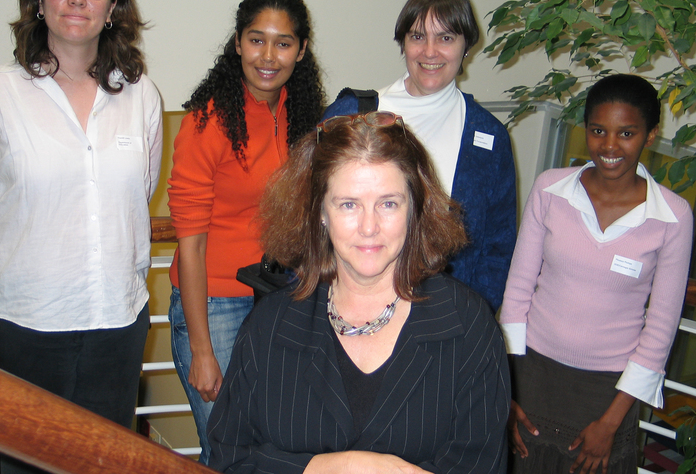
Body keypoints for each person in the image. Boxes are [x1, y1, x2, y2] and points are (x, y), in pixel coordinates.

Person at [0, 0, 161, 472]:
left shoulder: (140, 94)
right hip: (22, 323)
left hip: (115, 318)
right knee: (27, 463)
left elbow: (138, 189)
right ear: (39, 2)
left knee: (107, 459)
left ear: (112, 7)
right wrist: (6, 263)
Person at [208, 112, 510, 474]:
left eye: (388, 203)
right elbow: (230, 460)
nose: (369, 227)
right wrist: (335, 467)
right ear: (320, 211)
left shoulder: (468, 326)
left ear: (414, 208)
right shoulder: (270, 326)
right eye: (348, 204)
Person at [499, 74, 694, 474]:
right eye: (598, 130)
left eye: (626, 133)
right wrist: (508, 391)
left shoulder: (672, 216)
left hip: (607, 392)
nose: (609, 146)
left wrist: (612, 421)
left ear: (650, 136)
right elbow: (517, 293)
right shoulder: (550, 190)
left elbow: (660, 329)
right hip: (531, 374)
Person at [166, 0, 325, 463]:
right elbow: (190, 248)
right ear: (237, 44)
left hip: (280, 301)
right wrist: (202, 350)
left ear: (301, 50)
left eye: (283, 42)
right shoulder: (207, 124)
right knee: (228, 450)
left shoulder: (301, 117)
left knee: (271, 447)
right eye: (257, 40)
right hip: (216, 309)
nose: (268, 56)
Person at [323, 0, 516, 311]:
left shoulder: (488, 136)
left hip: (444, 316)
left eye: (445, 38)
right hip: (351, 309)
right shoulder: (352, 113)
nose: (430, 51)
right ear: (403, 43)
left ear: (466, 45)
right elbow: (309, 215)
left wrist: (474, 317)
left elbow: (498, 246)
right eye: (417, 36)